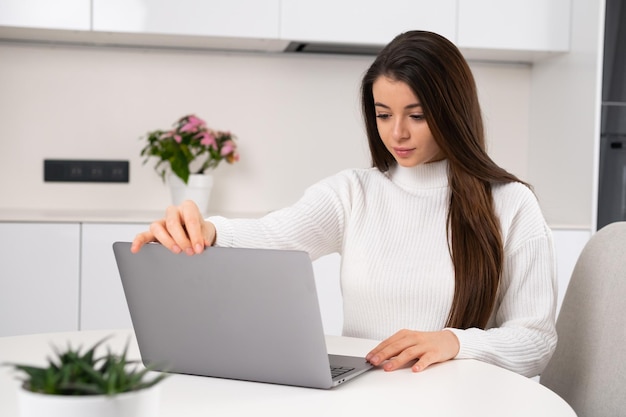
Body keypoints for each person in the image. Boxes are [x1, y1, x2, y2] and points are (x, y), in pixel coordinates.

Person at [132, 30, 557, 378]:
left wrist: (454, 341)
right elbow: (271, 236)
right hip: (366, 396)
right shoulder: (352, 193)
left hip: (461, 400)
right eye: (383, 114)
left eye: (417, 114)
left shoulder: (511, 204)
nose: (398, 134)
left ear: (452, 112)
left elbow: (536, 341)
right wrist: (208, 231)